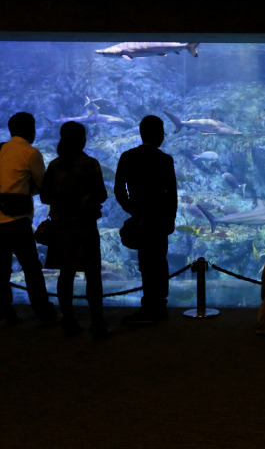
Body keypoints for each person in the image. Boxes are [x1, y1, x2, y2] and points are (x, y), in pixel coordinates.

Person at [40, 122, 110, 337]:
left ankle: (68, 322)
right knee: (92, 276)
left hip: (61, 228)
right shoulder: (90, 164)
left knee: (66, 274)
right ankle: (97, 324)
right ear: (82, 139)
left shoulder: (54, 166)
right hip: (85, 227)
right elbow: (101, 195)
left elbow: (44, 197)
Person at [114, 115, 177, 324]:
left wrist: (132, 209)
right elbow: (172, 194)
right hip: (159, 219)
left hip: (140, 218)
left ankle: (149, 306)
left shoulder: (127, 157)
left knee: (145, 263)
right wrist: (170, 219)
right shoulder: (165, 160)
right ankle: (159, 305)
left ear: (141, 134)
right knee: (159, 262)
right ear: (160, 136)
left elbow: (119, 189)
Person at [0, 112, 59, 326]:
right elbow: (44, 185)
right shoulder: (30, 153)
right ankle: (45, 312)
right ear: (30, 130)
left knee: (1, 269)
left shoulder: (0, 149)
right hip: (17, 220)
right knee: (32, 269)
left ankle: (5, 314)